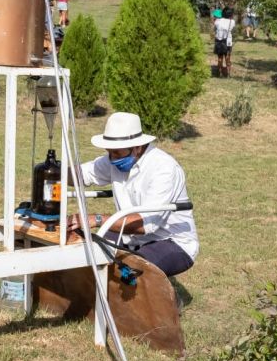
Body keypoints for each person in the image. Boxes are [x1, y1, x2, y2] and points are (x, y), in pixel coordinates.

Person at [68, 112, 198, 277]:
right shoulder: (115, 158)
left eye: (117, 153)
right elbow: (83, 174)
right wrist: (53, 172)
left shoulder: (164, 168)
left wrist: (97, 219)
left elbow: (145, 224)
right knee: (89, 254)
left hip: (173, 242)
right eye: (109, 152)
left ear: (137, 147)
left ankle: (166, 301)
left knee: (129, 271)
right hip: (131, 239)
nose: (112, 158)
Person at [213, 7, 235, 78]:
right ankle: (228, 74)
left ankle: (219, 73)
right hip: (228, 42)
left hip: (219, 41)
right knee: (227, 57)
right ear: (230, 14)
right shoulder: (232, 22)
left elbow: (216, 27)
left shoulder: (217, 21)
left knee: (220, 58)